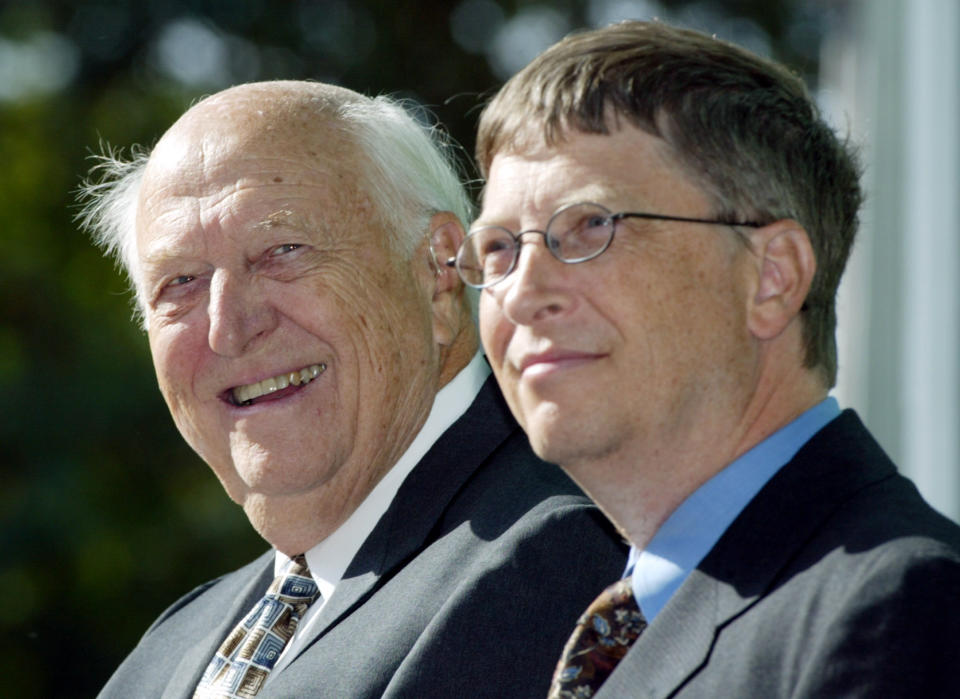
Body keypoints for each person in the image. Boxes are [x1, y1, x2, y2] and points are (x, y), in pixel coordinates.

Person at [453, 20, 960, 698]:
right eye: (498, 249)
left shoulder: (899, 611)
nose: (521, 293)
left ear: (771, 276)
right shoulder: (586, 631)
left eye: (591, 225)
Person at [79, 80, 625, 698]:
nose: (228, 328)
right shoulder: (170, 645)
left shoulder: (551, 558)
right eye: (179, 282)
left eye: (282, 250)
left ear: (440, 272)